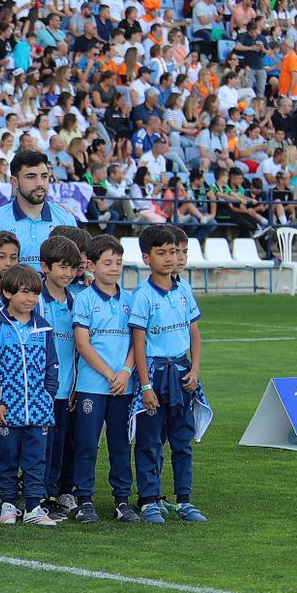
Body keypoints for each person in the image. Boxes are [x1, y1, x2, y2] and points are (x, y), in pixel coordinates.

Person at [129, 224, 208, 524]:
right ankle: (149, 500)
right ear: (147, 258)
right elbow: (138, 342)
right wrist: (146, 385)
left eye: (173, 251)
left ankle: (184, 500)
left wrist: (196, 368)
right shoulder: (142, 295)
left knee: (181, 440)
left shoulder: (185, 289)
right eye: (161, 253)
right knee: (150, 440)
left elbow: (195, 334)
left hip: (182, 372)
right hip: (155, 373)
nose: (169, 258)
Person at [0, 265, 61, 526]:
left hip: (39, 409)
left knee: (36, 461)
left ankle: (34, 509)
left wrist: (48, 395)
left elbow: (53, 365)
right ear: (7, 292)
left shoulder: (44, 328)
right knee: (7, 459)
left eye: (35, 293)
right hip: (7, 409)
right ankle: (8, 506)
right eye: (25, 292)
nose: (30, 299)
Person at [70, 233, 139, 523]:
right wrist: (111, 374)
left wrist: (125, 371)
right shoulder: (83, 300)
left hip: (123, 386)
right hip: (92, 385)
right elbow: (82, 344)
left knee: (121, 444)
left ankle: (122, 500)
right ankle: (84, 498)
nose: (114, 268)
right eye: (107, 262)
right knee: (86, 443)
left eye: (118, 262)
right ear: (91, 265)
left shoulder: (132, 300)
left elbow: (139, 341)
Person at [36, 235, 80, 517]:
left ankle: (54, 493)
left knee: (62, 444)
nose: (66, 273)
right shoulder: (36, 300)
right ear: (45, 267)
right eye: (61, 266)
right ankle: (37, 496)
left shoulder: (77, 300)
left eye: (72, 267)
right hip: (42, 388)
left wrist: (76, 383)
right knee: (41, 445)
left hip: (68, 388)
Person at [0, 150, 77, 270]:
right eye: (31, 177)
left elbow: (77, 265)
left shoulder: (66, 218)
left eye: (44, 176)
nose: (40, 183)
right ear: (14, 182)